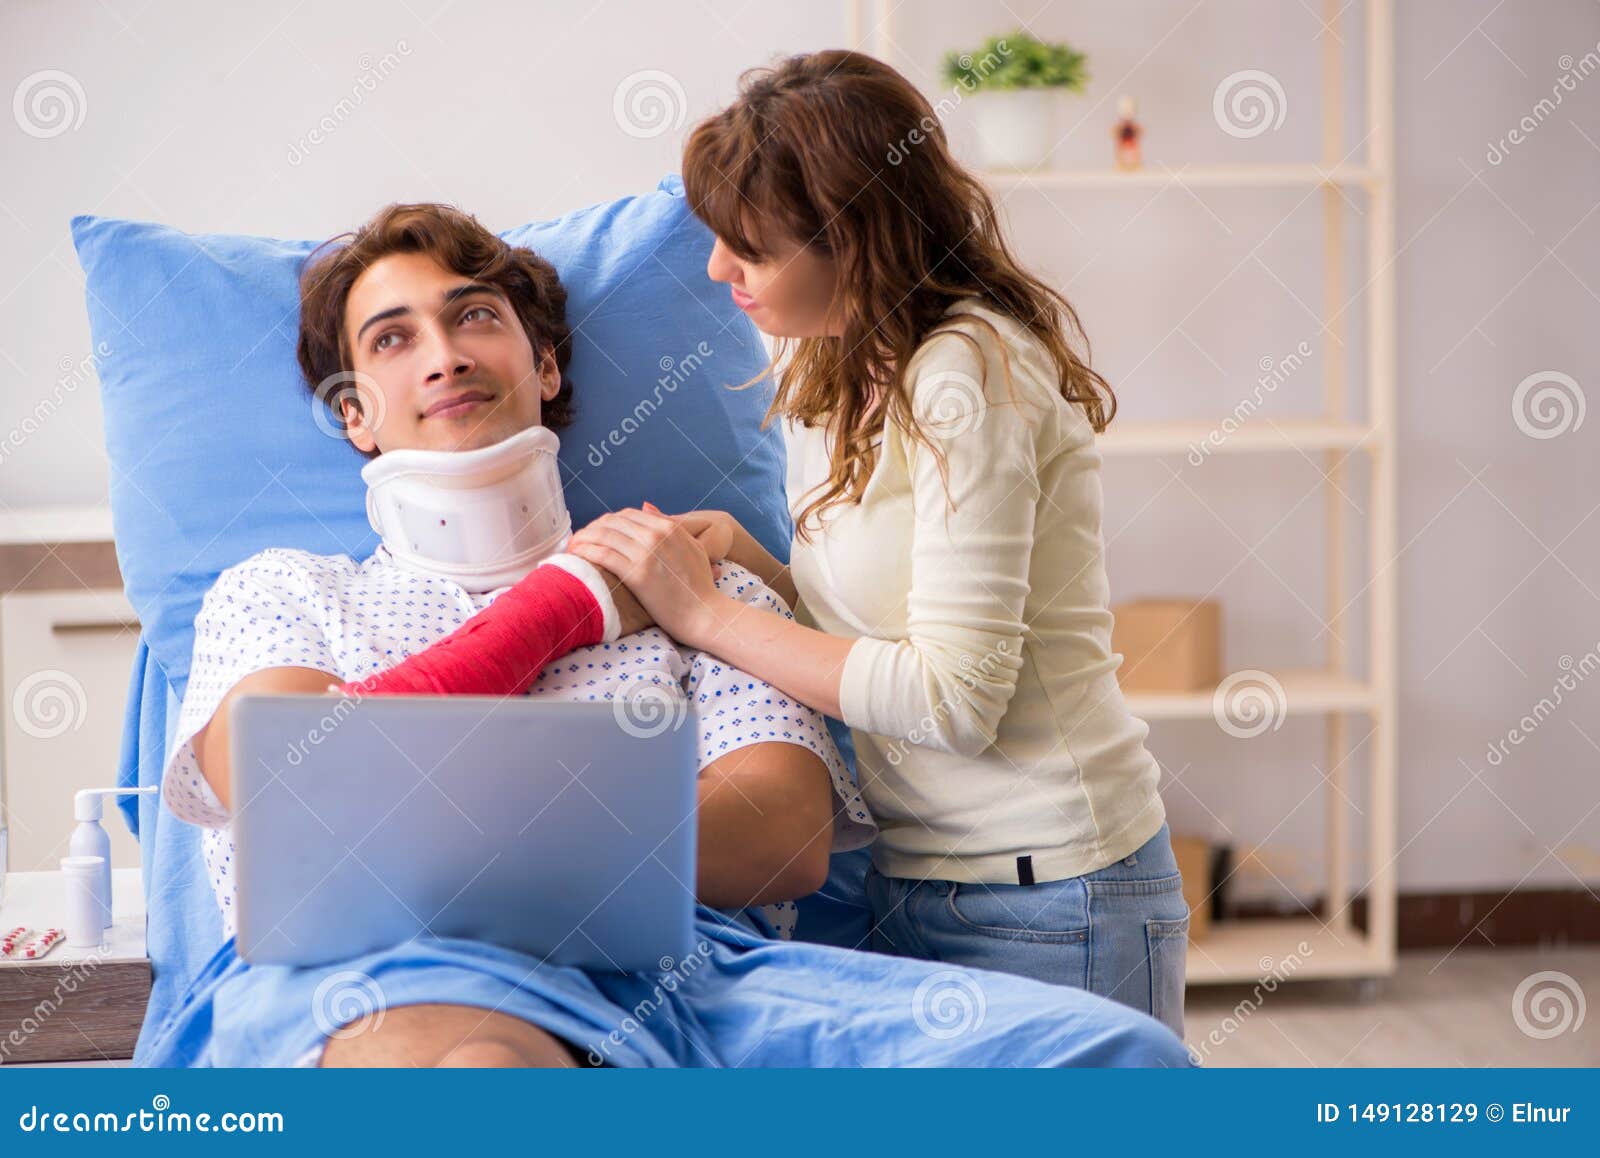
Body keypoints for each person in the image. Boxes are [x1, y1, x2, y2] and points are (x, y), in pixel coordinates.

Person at [143, 201, 1194, 1069]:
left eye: (475, 317)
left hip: (695, 984)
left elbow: (782, 835)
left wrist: (420, 814)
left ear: (546, 368)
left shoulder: (695, 583)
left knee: (1121, 1065)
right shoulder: (285, 590)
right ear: (354, 417)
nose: (445, 354)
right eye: (392, 338)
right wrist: (566, 612)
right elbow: (288, 790)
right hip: (386, 974)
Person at [569, 51, 1189, 1037]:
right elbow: (868, 641)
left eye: (751, 250)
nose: (717, 270)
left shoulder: (966, 373)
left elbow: (950, 700)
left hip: (1048, 896)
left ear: (852, 240)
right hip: (913, 886)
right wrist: (750, 560)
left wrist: (707, 614)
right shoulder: (843, 367)